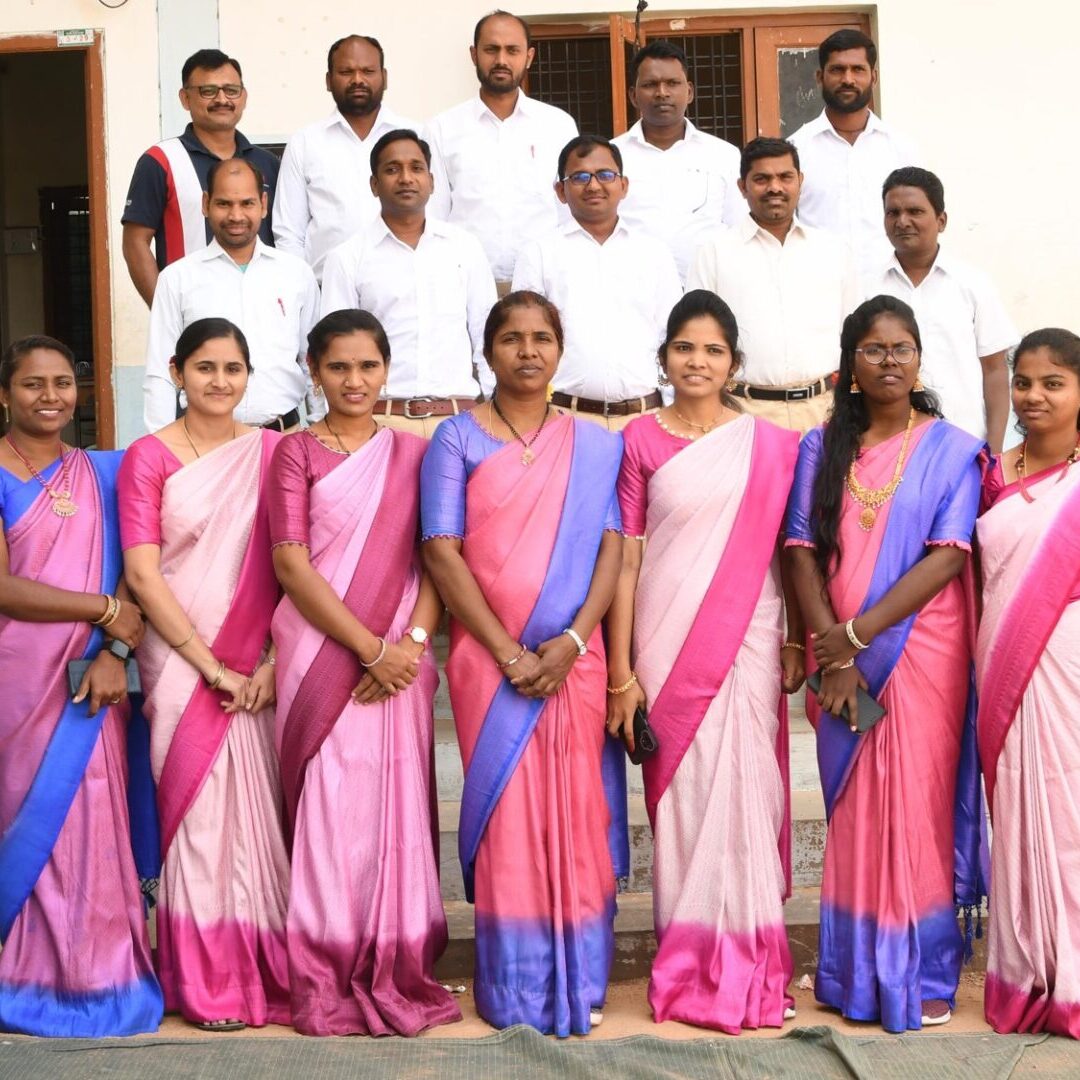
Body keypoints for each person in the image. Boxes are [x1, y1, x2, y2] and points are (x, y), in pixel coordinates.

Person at [420, 291, 624, 1035]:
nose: (528, 352)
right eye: (512, 339)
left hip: (577, 661)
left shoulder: (597, 444)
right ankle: (515, 985)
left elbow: (611, 548)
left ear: (559, 350)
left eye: (542, 339)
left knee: (577, 813)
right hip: (489, 663)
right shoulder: (456, 439)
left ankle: (582, 978)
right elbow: (441, 550)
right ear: (489, 351)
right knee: (509, 820)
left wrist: (571, 643)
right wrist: (508, 653)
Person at [784, 295, 986, 1032]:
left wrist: (859, 636)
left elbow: (947, 554)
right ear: (851, 367)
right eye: (874, 350)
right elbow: (800, 551)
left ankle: (922, 971)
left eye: (902, 348)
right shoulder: (819, 449)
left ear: (919, 359)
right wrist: (829, 649)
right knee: (858, 803)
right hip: (840, 658)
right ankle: (854, 971)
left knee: (916, 802)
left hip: (921, 649)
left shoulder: (953, 449)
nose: (890, 361)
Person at [605, 291, 802, 1031]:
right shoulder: (638, 441)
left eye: (713, 351)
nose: (698, 362)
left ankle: (751, 962)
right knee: (684, 801)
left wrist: (791, 642)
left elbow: (790, 555)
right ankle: (688, 965)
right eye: (685, 348)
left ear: (734, 363)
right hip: (664, 639)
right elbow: (624, 560)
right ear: (664, 359)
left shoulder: (772, 446)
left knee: (748, 791)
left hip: (747, 637)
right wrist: (622, 671)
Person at [268, 309, 461, 1037]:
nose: (354, 381)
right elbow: (291, 563)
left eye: (367, 366)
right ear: (314, 371)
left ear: (387, 370)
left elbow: (438, 555)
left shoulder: (416, 453)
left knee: (395, 814)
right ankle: (324, 967)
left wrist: (409, 641)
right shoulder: (295, 454)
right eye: (338, 367)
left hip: (402, 665)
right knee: (329, 812)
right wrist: (370, 649)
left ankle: (398, 959)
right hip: (325, 659)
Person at [119, 318, 290, 1031]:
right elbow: (140, 572)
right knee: (197, 819)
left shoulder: (274, 452)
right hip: (182, 661)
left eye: (232, 368)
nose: (219, 381)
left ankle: (262, 971)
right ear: (177, 371)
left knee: (257, 821)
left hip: (260, 658)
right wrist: (209, 664)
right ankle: (207, 983)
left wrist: (274, 661)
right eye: (205, 368)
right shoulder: (148, 458)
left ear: (250, 376)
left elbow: (296, 564)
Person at [0, 336, 162, 1037]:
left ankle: (104, 973)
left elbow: (140, 566)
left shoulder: (104, 473)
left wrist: (115, 646)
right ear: (4, 394)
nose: (50, 397)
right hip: (18, 682)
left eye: (63, 383)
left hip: (91, 679)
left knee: (94, 819)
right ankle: (24, 973)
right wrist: (98, 610)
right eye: (33, 384)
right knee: (27, 818)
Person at [977, 328, 1080, 1037]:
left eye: (1053, 383)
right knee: (1016, 811)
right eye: (1023, 382)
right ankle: (1023, 974)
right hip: (1002, 663)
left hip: (1069, 659)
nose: (1034, 396)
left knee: (1070, 814)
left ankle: (1071, 978)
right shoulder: (993, 472)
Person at [320, 130, 495, 436]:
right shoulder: (347, 257)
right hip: (381, 421)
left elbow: (486, 335)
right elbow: (334, 350)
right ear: (374, 185)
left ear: (432, 181)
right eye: (392, 169)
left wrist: (495, 411)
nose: (405, 178)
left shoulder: (465, 248)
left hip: (458, 421)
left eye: (416, 168)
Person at [511, 135, 680, 431]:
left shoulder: (653, 253)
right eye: (579, 177)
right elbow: (525, 339)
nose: (593, 185)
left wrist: (669, 409)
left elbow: (673, 336)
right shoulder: (539, 254)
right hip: (565, 418)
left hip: (645, 419)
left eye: (605, 175)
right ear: (560, 191)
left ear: (623, 185)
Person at [689, 137, 857, 434]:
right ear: (742, 187)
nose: (775, 187)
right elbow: (697, 341)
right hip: (743, 413)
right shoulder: (714, 253)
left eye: (785, 177)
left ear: (800, 181)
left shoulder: (833, 251)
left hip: (824, 412)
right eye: (762, 179)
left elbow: (854, 335)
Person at [144, 158, 320, 434]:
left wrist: (321, 430)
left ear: (263, 204)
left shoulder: (296, 274)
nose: (236, 216)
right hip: (205, 443)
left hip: (285, 438)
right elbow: (160, 372)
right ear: (206, 204)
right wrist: (162, 448)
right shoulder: (177, 278)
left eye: (247, 203)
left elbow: (312, 363)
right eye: (224, 203)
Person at [867, 167, 1017, 451]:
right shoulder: (869, 288)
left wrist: (995, 450)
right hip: (890, 445)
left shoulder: (972, 284)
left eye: (915, 211)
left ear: (941, 220)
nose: (902, 221)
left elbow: (995, 371)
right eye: (893, 213)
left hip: (963, 441)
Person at [424, 11, 578, 288]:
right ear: (474, 54)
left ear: (529, 57)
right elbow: (434, 215)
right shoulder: (442, 129)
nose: (501, 60)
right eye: (491, 49)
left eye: (512, 50)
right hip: (465, 284)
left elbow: (569, 213)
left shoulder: (557, 126)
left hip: (544, 283)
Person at [122, 48, 280, 306]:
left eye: (231, 90)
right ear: (185, 98)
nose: (222, 99)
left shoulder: (268, 164)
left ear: (244, 96)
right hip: (194, 312)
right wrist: (166, 311)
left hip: (262, 306)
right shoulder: (160, 161)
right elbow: (135, 243)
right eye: (208, 91)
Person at [273, 35, 417, 281]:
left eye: (368, 71)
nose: (358, 79)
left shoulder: (415, 137)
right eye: (346, 71)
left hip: (403, 287)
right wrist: (303, 291)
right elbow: (289, 234)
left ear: (384, 77)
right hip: (326, 291)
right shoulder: (305, 142)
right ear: (329, 80)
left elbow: (435, 217)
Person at [788, 29, 920, 276]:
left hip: (888, 292)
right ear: (819, 77)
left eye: (858, 69)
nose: (847, 79)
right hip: (819, 289)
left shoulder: (901, 148)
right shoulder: (797, 149)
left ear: (874, 77)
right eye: (837, 70)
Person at [612, 40, 743, 281]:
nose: (662, 92)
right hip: (632, 290)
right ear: (633, 95)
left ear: (690, 91)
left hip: (708, 290)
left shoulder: (723, 155)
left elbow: (740, 228)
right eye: (651, 84)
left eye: (672, 83)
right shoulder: (611, 157)